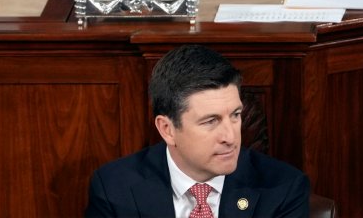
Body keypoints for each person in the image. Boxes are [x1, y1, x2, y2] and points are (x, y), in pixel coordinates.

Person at [85, 44, 309, 217]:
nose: (230, 138)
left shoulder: (284, 188)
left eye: (235, 115)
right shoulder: (114, 188)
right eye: (210, 121)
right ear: (167, 129)